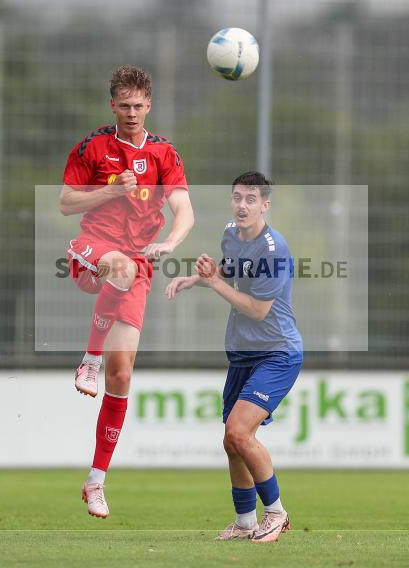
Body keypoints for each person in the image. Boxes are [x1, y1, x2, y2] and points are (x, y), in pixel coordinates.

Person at [60, 65, 194, 518]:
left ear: (149, 105)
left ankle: (96, 481)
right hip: (91, 249)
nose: (132, 113)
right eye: (124, 106)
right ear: (112, 106)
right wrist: (111, 189)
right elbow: (66, 202)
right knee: (118, 266)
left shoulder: (164, 153)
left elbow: (184, 212)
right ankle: (88, 359)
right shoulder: (93, 146)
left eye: (139, 105)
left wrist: (169, 244)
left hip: (139, 264)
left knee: (122, 376)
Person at [165, 171, 302, 543]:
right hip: (243, 354)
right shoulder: (231, 232)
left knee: (239, 432)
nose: (242, 205)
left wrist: (215, 285)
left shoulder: (275, 249)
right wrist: (196, 278)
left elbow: (258, 309)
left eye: (251, 199)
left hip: (277, 353)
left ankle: (276, 514)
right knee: (231, 439)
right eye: (237, 197)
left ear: (265, 205)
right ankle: (245, 522)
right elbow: (232, 268)